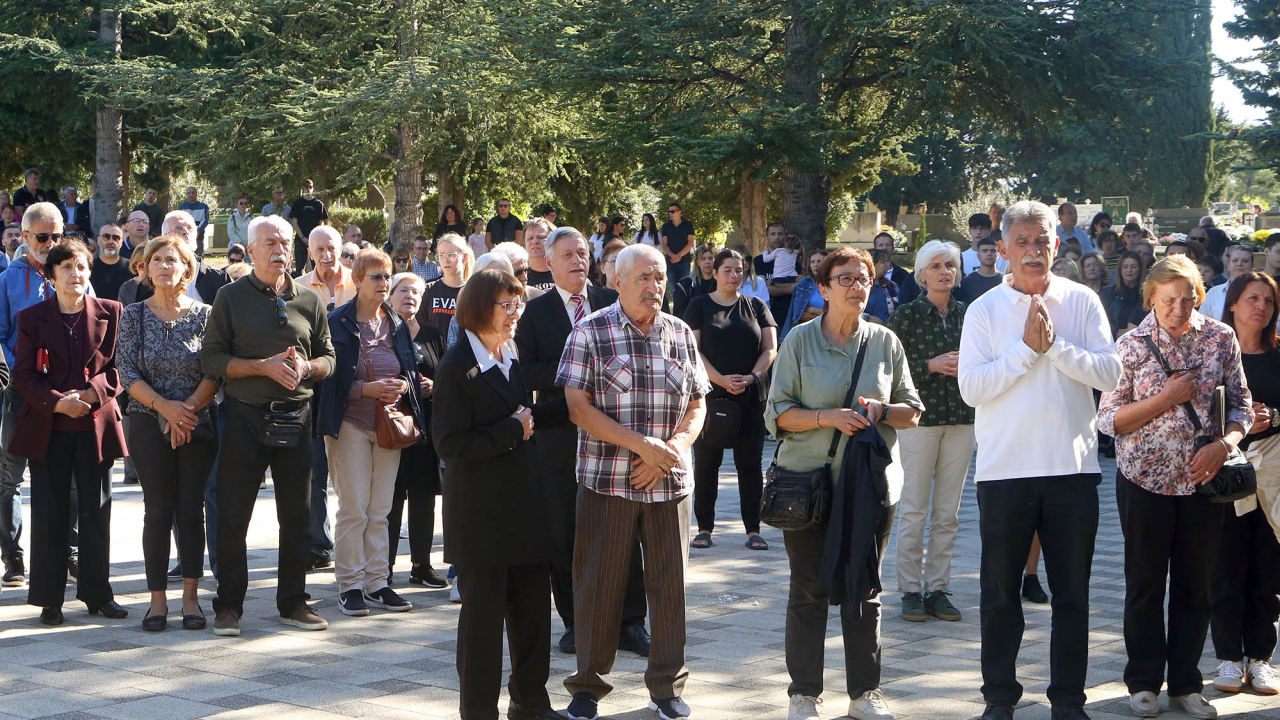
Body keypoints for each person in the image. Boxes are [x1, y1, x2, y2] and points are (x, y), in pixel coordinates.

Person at [958, 200, 1122, 720]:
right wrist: (1027, 352)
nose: (1033, 250)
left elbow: (1110, 374)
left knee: (1072, 595)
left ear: (1057, 244)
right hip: (1004, 472)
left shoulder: (1082, 300)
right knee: (1001, 594)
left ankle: (1069, 701)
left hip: (1072, 470)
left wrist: (1054, 349)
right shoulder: (982, 310)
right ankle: (1000, 699)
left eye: (1042, 240)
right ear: (1002, 248)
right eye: (1022, 241)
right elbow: (971, 387)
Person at [766, 245, 924, 720]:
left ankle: (864, 694)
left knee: (864, 590)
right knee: (809, 590)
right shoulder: (798, 340)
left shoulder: (884, 341)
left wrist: (880, 410)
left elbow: (912, 411)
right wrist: (827, 417)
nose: (857, 286)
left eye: (864, 279)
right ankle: (804, 694)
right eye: (846, 279)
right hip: (807, 486)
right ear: (823, 288)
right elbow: (777, 415)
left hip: (870, 488)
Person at [556, 243, 710, 720]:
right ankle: (587, 689)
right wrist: (642, 447)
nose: (654, 286)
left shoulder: (681, 333)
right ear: (617, 281)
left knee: (671, 587)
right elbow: (577, 408)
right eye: (644, 277)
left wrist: (673, 450)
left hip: (670, 483)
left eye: (660, 277)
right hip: (609, 481)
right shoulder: (590, 332)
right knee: (599, 585)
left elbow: (698, 403)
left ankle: (667, 688)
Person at [1097, 254, 1250, 720]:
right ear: (1151, 298)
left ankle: (1186, 684)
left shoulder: (1221, 338)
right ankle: (1143, 682)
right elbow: (1107, 419)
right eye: (1169, 300)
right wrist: (1164, 399)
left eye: (1188, 299)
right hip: (1144, 479)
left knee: (1195, 586)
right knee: (1144, 585)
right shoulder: (1130, 345)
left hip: (1203, 482)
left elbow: (1241, 403)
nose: (1179, 309)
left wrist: (1225, 444)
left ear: (1200, 297)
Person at [433, 269, 564, 720]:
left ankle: (530, 703)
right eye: (505, 306)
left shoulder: (507, 354)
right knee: (483, 625)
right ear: (478, 308)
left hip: (524, 508)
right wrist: (513, 430)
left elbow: (522, 416)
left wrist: (561, 409)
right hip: (481, 517)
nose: (515, 314)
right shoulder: (455, 366)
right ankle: (479, 711)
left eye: (519, 305)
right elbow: (450, 443)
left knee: (532, 616)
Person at [514, 227, 649, 657]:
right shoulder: (535, 313)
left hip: (615, 434)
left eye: (583, 253)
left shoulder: (612, 302)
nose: (578, 260)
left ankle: (631, 622)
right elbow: (526, 373)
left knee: (622, 531)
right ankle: (576, 621)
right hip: (558, 437)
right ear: (548, 262)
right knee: (565, 532)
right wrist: (577, 366)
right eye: (568, 254)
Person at [200, 214, 336, 637]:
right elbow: (211, 360)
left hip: (297, 419)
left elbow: (329, 358)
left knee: (298, 517)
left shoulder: (309, 299)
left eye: (283, 243)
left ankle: (293, 602)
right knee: (233, 514)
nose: (279, 250)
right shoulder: (230, 297)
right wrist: (263, 367)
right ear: (252, 250)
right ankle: (229, 606)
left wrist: (306, 367)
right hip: (244, 418)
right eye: (269, 244)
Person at [11, 238, 125, 626]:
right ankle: (49, 599)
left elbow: (121, 367)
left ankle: (98, 595)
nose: (75, 275)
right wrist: (59, 401)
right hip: (50, 427)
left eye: (81, 267)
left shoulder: (112, 311)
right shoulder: (31, 318)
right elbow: (23, 375)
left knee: (97, 513)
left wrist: (94, 394)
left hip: (96, 427)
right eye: (66, 268)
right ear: (51, 274)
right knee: (50, 514)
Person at [118, 235, 220, 631]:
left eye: (171, 260)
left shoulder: (206, 315)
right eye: (155, 260)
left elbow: (215, 370)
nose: (163, 266)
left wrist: (186, 412)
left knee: (192, 510)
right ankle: (157, 601)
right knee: (158, 509)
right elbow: (127, 373)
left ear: (186, 267)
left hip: (197, 421)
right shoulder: (134, 315)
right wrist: (166, 410)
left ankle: (191, 599)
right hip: (147, 420)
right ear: (145, 268)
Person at [316, 248, 424, 616]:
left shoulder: (395, 321)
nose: (384, 283)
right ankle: (350, 585)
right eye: (376, 277)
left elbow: (407, 368)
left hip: (389, 424)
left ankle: (379, 582)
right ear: (357, 280)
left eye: (387, 276)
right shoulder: (336, 322)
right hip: (349, 423)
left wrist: (409, 386)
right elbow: (325, 381)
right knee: (354, 509)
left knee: (381, 508)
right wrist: (365, 390)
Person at [0, 202, 87, 588]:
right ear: (25, 235)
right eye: (42, 236)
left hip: (66, 392)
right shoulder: (6, 280)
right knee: (9, 477)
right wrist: (18, 373)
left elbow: (92, 324)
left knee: (67, 478)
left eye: (57, 235)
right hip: (22, 392)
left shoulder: (74, 272)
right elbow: (1, 336)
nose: (51, 243)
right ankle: (13, 557)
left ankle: (68, 554)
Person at [888, 241, 975, 626]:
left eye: (951, 266)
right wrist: (931, 365)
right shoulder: (906, 316)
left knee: (948, 513)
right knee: (914, 507)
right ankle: (909, 590)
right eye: (937, 266)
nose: (945, 272)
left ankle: (938, 589)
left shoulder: (969, 315)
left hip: (961, 419)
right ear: (922, 274)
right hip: (918, 422)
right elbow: (889, 370)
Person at [1212, 271, 1280, 697]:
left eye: (1269, 301)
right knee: (1224, 566)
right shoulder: (1214, 356)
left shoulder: (1278, 356)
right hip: (1225, 475)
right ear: (1232, 303)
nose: (1261, 307)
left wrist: (1273, 417)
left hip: (1273, 474)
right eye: (1252, 298)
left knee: (1267, 567)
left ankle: (1261, 659)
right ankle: (1227, 659)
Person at [684, 248, 777, 550]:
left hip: (750, 395)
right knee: (707, 464)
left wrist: (751, 376)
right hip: (711, 396)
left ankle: (753, 529)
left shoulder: (757, 305)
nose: (735, 275)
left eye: (740, 270)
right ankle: (704, 528)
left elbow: (770, 348)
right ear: (714, 272)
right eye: (728, 269)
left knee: (749, 465)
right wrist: (720, 379)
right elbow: (692, 351)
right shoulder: (699, 306)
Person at [384, 272, 449, 588]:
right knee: (391, 499)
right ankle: (384, 567)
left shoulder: (434, 334)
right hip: (392, 428)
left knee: (424, 497)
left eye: (416, 292)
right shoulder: (382, 332)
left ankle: (421, 565)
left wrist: (433, 386)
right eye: (403, 290)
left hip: (426, 429)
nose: (410, 296)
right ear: (390, 295)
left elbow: (447, 376)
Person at [418, 234, 473, 335]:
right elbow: (420, 327)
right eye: (441, 255)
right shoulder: (428, 290)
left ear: (464, 258)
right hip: (434, 349)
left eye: (451, 255)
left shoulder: (472, 292)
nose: (446, 260)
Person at [780, 247, 831, 340]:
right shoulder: (803, 285)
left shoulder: (834, 284)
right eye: (812, 262)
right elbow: (798, 315)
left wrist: (812, 310)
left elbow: (834, 314)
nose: (815, 265)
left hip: (829, 332)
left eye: (819, 261)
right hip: (806, 332)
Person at [1200, 245, 1257, 321]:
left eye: (1245, 261)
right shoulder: (1213, 293)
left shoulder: (1260, 293)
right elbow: (1201, 322)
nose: (1239, 264)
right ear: (1228, 266)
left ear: (1252, 267)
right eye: (1235, 260)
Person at [1100, 251, 1144, 338]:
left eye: (1133, 267)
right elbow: (1101, 318)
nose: (1129, 270)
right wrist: (1115, 333)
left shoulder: (1146, 294)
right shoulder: (1107, 292)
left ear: (1140, 269)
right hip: (1111, 339)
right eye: (1125, 267)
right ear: (1120, 269)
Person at [288, 179, 328, 274]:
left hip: (315, 241)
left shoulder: (319, 204)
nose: (308, 189)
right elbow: (294, 222)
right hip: (300, 240)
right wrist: (302, 237)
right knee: (299, 269)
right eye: (306, 187)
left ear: (313, 188)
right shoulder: (298, 204)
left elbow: (322, 222)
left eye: (310, 187)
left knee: (317, 268)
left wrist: (313, 237)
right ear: (302, 189)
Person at [872, 232, 920, 305]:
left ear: (893, 248)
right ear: (875, 248)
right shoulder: (866, 277)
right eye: (881, 245)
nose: (884, 247)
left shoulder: (904, 275)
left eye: (888, 245)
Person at [90, 224, 132, 302]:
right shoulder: (88, 268)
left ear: (121, 242)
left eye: (116, 238)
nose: (111, 241)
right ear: (98, 240)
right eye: (106, 236)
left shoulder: (132, 268)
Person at [957, 236, 1003, 304]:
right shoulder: (966, 282)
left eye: (993, 251)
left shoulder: (1005, 281)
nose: (989, 254)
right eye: (984, 251)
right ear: (978, 255)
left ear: (998, 255)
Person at [661, 202, 696, 286]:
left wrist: (679, 256)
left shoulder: (688, 225)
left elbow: (690, 243)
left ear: (679, 212)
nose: (670, 214)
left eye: (673, 211)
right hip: (670, 262)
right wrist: (673, 256)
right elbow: (664, 245)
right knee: (673, 286)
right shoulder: (666, 226)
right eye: (669, 212)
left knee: (685, 287)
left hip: (684, 261)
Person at [865, 250, 898, 323]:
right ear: (872, 264)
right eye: (883, 262)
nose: (887, 265)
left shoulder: (891, 286)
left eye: (887, 262)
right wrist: (868, 318)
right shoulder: (861, 287)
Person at [523, 219, 556, 291]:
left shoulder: (565, 271)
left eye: (541, 237)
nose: (534, 241)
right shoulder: (519, 275)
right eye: (530, 238)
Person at [178, 186, 211, 256]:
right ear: (186, 195)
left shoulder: (204, 207)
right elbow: (180, 221)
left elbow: (205, 221)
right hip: (185, 237)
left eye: (193, 193)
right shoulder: (181, 207)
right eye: (188, 193)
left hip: (199, 237)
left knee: (199, 258)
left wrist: (197, 231)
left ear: (196, 194)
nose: (191, 195)